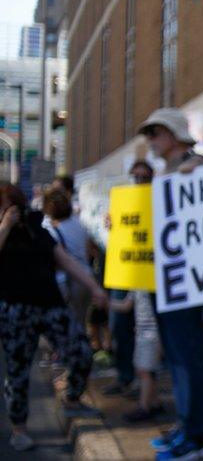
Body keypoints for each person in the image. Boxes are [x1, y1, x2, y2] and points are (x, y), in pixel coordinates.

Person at [0, 182, 108, 451]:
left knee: (81, 351)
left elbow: (66, 261)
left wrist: (94, 287)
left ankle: (72, 398)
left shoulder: (36, 230)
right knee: (18, 371)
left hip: (50, 304)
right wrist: (4, 226)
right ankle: (19, 428)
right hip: (15, 309)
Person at [138, 108, 203, 460]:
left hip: (187, 281)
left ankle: (200, 434)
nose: (151, 141)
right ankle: (188, 425)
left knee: (189, 358)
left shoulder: (197, 166)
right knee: (176, 358)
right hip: (165, 279)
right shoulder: (164, 173)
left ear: (172, 134)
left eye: (155, 133)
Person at [105, 160, 164, 422]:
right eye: (136, 176)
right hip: (136, 289)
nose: (140, 180)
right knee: (145, 362)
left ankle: (146, 405)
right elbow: (126, 304)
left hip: (153, 314)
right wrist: (115, 227)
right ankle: (152, 401)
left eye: (144, 176)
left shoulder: (162, 202)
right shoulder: (125, 204)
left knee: (146, 364)